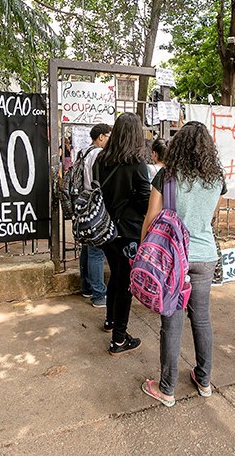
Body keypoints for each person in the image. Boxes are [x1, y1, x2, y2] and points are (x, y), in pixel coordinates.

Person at [139, 121, 226, 407]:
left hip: (173, 260)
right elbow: (209, 217)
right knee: (201, 319)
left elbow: (152, 218)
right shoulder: (217, 177)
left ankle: (167, 388)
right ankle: (203, 380)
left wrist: (143, 252)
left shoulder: (166, 175)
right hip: (205, 256)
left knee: (171, 322)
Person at [93, 113, 151, 355]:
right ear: (135, 134)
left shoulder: (101, 159)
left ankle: (110, 321)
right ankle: (119, 338)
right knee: (125, 282)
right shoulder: (136, 163)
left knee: (116, 275)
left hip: (106, 229)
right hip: (128, 233)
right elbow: (145, 199)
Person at [79, 123, 111, 308]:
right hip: (97, 204)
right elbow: (101, 182)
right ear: (101, 137)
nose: (110, 140)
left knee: (87, 247)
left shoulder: (84, 151)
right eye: (108, 136)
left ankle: (87, 287)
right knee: (96, 251)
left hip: (85, 203)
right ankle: (99, 294)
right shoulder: (99, 154)